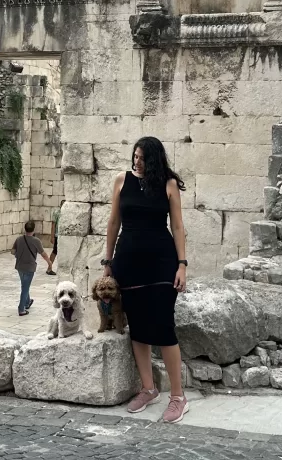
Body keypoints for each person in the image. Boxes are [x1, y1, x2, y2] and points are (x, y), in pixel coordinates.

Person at [104, 137, 188, 425]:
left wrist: (182, 265)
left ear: (153, 159)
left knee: (164, 326)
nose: (136, 161)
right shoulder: (121, 180)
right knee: (138, 327)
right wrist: (107, 262)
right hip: (127, 262)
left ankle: (178, 397)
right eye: (134, 156)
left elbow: (177, 226)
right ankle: (149, 388)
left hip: (162, 263)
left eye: (141, 157)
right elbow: (113, 223)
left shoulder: (168, 185)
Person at [11, 220, 52, 317]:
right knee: (25, 288)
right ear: (33, 230)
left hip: (20, 266)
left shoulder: (19, 239)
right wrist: (49, 263)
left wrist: (19, 255)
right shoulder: (36, 241)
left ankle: (27, 302)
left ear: (25, 229)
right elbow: (43, 254)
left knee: (24, 285)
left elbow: (12, 251)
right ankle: (21, 309)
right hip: (29, 267)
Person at [46, 201, 64, 276]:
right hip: (58, 235)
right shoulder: (57, 213)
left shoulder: (68, 213)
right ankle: (49, 268)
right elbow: (53, 225)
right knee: (55, 251)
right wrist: (52, 236)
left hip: (64, 236)